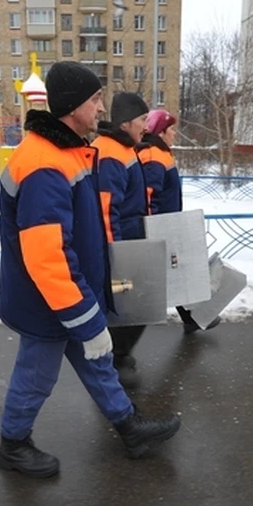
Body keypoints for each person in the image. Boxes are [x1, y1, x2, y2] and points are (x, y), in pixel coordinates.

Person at [0, 62, 181, 479]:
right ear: (72, 105)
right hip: (48, 301)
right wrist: (83, 315)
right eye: (95, 99)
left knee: (98, 363)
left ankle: (130, 429)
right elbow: (48, 257)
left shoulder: (64, 151)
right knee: (37, 376)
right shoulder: (44, 163)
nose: (101, 109)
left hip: (68, 293)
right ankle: (13, 444)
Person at [137, 109, 221, 334]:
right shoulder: (154, 155)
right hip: (161, 227)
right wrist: (151, 229)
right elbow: (148, 195)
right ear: (161, 132)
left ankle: (191, 318)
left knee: (175, 272)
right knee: (164, 276)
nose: (175, 133)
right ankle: (123, 342)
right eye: (172, 129)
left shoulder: (161, 153)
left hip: (168, 224)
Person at [92, 92, 151, 389]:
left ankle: (120, 355)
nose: (146, 125)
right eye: (142, 119)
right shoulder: (111, 152)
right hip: (121, 243)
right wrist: (115, 256)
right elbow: (105, 208)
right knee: (130, 301)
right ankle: (115, 358)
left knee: (136, 301)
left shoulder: (122, 147)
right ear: (126, 122)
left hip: (131, 238)